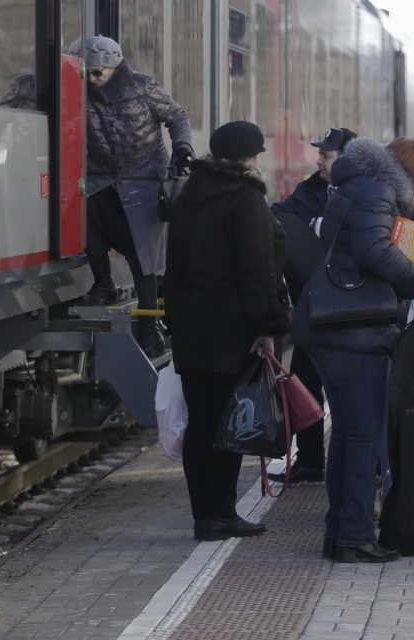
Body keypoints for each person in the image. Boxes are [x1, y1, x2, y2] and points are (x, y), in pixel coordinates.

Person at [291, 136, 414, 563]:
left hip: (336, 327)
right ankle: (354, 535)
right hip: (355, 331)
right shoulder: (378, 191)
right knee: (363, 436)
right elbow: (373, 249)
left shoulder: (358, 186)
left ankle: (341, 534)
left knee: (350, 436)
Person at [163, 121, 289, 541]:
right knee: (228, 425)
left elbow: (173, 267)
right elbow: (257, 269)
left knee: (201, 423)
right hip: (231, 329)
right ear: (250, 156)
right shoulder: (245, 198)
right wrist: (266, 325)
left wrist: (175, 319)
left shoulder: (188, 195)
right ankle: (220, 514)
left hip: (192, 328)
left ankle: (205, 514)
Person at [69, 36, 194, 358]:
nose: (93, 80)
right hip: (100, 178)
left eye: (99, 73)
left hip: (143, 178)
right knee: (87, 230)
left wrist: (183, 147)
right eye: (88, 73)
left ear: (114, 67)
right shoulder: (76, 91)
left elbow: (177, 116)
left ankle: (150, 328)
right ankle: (103, 283)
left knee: (143, 255)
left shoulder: (142, 86)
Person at [268, 127, 358, 485]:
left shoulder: (363, 194)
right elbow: (280, 216)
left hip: (349, 308)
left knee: (346, 389)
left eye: (327, 155)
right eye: (321, 154)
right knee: (304, 380)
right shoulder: (310, 191)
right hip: (312, 303)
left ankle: (356, 463)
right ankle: (310, 460)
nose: (318, 160)